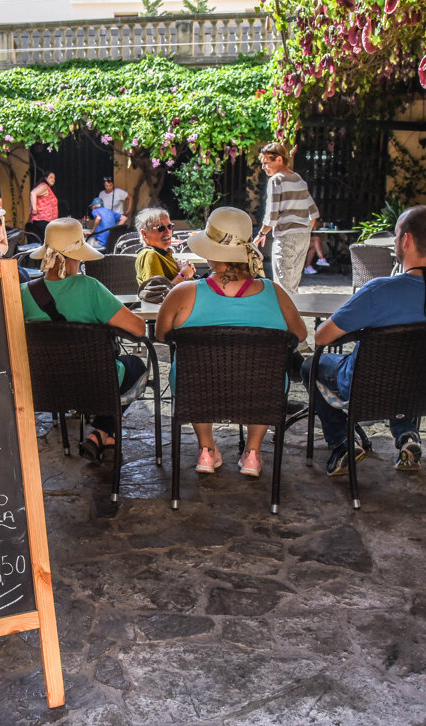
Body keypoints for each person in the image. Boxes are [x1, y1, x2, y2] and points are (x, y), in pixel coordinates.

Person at [302, 205, 426, 477]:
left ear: (406, 240)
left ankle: (343, 442)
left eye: (397, 234)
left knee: (311, 366)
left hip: (367, 385)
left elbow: (322, 337)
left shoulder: (379, 290)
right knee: (410, 365)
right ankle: (407, 436)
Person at [156, 207, 307, 478]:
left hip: (198, 388)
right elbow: (300, 334)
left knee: (193, 374)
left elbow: (161, 334)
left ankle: (206, 449)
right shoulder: (275, 292)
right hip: (260, 389)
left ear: (211, 251)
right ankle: (252, 453)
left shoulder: (183, 293)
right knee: (266, 378)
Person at [21, 218, 148, 463]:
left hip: (45, 387)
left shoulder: (22, 294)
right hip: (95, 383)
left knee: (109, 374)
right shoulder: (90, 288)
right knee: (134, 366)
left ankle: (102, 435)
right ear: (72, 258)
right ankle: (103, 432)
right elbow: (138, 327)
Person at [253, 143, 321, 294]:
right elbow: (314, 212)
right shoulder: (298, 179)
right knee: (293, 287)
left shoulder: (276, 180)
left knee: (283, 289)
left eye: (266, 162)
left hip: (286, 239)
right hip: (303, 238)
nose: (263, 167)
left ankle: (286, 317)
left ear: (278, 159)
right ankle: (294, 316)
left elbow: (272, 215)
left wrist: (261, 234)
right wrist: (304, 230)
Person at [134, 208, 195, 287]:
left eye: (169, 226)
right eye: (161, 228)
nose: (168, 232)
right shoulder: (149, 255)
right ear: (144, 233)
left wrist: (184, 269)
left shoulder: (163, 253)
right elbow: (158, 294)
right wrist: (184, 274)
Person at [28, 172, 58, 242]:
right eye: (51, 177)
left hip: (45, 221)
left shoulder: (47, 188)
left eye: (54, 178)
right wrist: (34, 210)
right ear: (45, 178)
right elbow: (33, 193)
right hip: (43, 221)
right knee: (47, 243)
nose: (53, 179)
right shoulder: (44, 186)